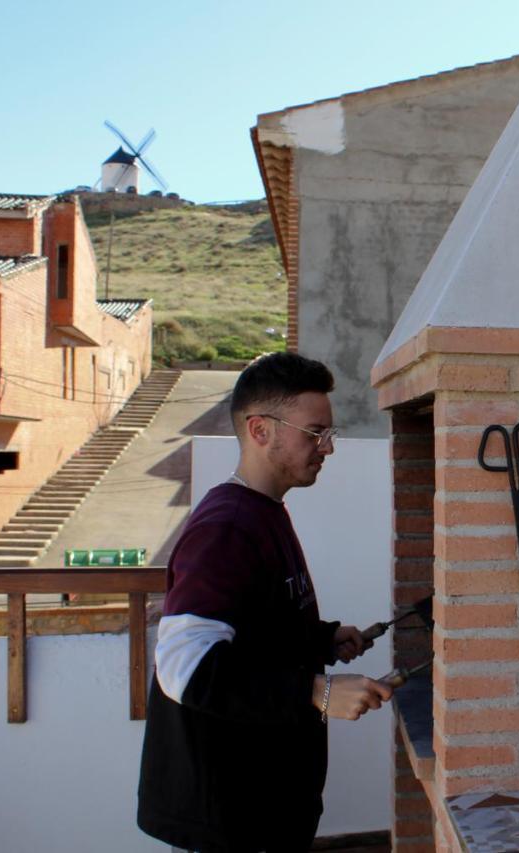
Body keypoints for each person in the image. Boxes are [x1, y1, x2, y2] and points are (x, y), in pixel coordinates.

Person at [137, 353, 393, 853]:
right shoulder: (226, 527)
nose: (328, 448)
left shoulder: (264, 511)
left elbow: (250, 623)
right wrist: (316, 691)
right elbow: (185, 667)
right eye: (315, 433)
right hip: (232, 818)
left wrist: (320, 637)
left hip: (269, 808)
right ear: (260, 430)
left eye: (329, 434)